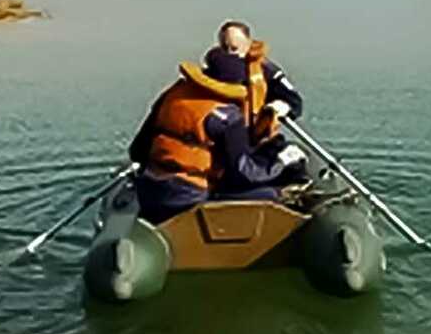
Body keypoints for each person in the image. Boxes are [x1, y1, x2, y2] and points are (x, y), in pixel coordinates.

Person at [127, 45, 306, 225]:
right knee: (270, 193)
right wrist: (280, 162)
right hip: (188, 199)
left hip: (149, 191)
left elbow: (137, 150)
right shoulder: (228, 118)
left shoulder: (172, 95)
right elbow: (244, 175)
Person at [207, 19, 304, 140]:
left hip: (252, 137)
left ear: (248, 45)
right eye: (225, 48)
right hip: (217, 135)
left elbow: (295, 102)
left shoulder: (267, 72)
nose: (230, 53)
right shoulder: (211, 70)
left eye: (234, 48)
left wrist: (281, 107)